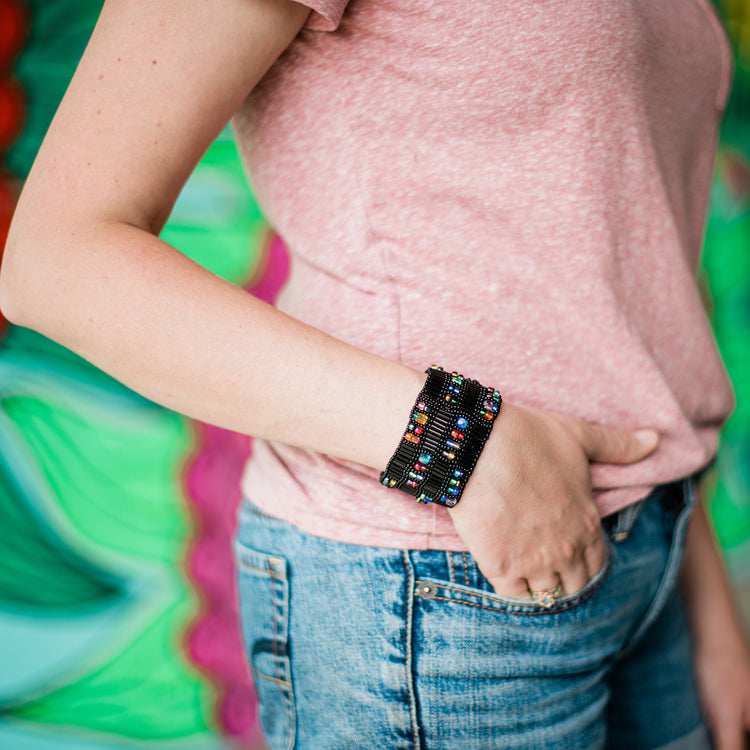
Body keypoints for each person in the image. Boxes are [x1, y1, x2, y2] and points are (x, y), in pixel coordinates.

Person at [1, 0, 749, 747]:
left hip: (658, 552)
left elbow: (627, 300)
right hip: (439, 587)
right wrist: (461, 446)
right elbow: (57, 260)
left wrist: (706, 607)